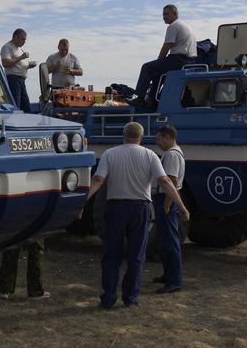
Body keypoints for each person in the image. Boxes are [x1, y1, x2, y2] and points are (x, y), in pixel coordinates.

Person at [80, 122, 190, 309]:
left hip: (115, 208)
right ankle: (130, 298)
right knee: (136, 256)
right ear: (141, 136)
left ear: (124, 135)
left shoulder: (110, 154)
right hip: (140, 209)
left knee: (111, 255)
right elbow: (164, 181)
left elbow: (98, 179)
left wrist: (82, 203)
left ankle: (108, 297)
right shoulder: (150, 156)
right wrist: (181, 205)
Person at [133, 4, 196, 108]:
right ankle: (151, 101)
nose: (164, 17)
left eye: (166, 14)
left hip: (178, 60)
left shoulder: (173, 26)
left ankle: (140, 98)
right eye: (163, 15)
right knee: (157, 72)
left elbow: (166, 47)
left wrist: (158, 62)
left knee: (147, 67)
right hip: (190, 61)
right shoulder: (185, 26)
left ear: (175, 14)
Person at [150, 125, 186, 294]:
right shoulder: (173, 153)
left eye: (158, 139)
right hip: (165, 199)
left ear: (167, 137)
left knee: (170, 240)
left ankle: (174, 280)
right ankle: (168, 274)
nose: (157, 142)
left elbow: (170, 180)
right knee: (165, 240)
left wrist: (166, 204)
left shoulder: (171, 155)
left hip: (166, 200)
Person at [0, 28, 36, 112]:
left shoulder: (19, 49)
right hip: (13, 79)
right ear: (15, 37)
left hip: (21, 80)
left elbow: (19, 64)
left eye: (25, 40)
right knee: (16, 105)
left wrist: (28, 65)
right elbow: (5, 63)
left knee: (26, 106)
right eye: (22, 39)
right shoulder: (7, 47)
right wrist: (21, 57)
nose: (24, 42)